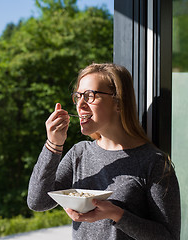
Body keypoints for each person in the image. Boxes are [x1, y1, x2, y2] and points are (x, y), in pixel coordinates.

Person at [27, 63, 181, 240]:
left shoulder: (154, 162)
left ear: (118, 102)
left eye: (89, 96)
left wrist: (117, 214)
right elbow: (38, 202)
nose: (81, 104)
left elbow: (169, 237)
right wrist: (53, 144)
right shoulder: (80, 153)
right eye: (78, 96)